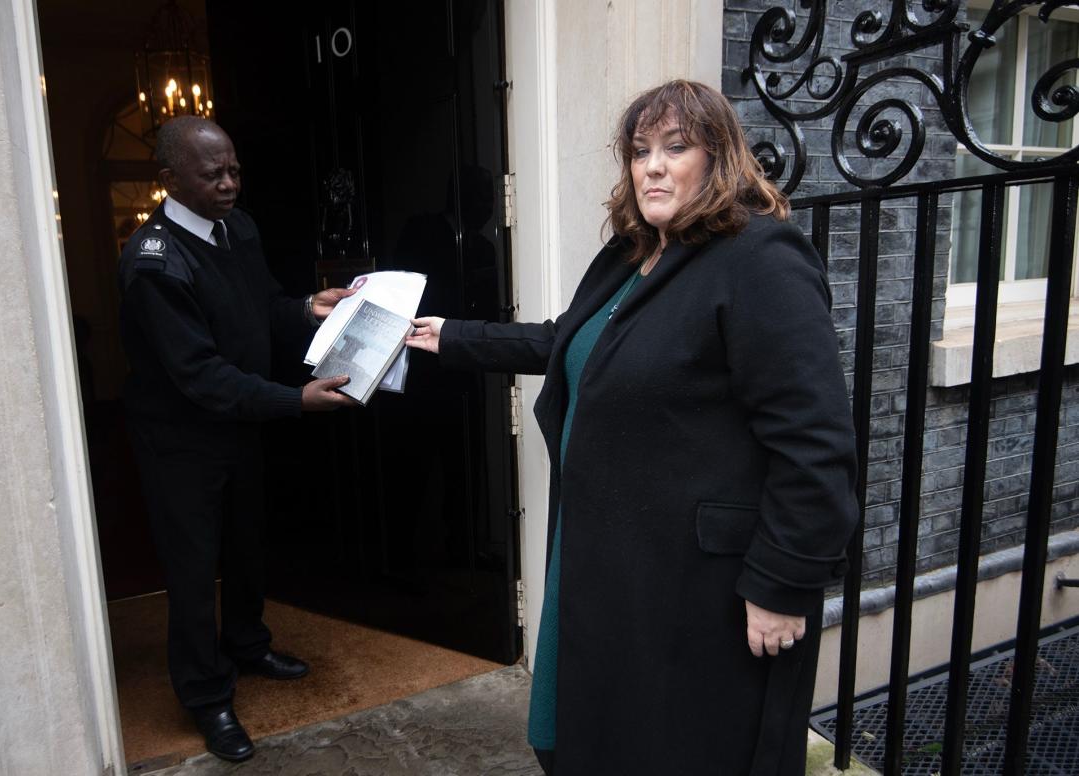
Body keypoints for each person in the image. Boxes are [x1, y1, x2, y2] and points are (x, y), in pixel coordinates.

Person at [406, 80, 859, 775]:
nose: (651, 165)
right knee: (597, 737)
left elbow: (816, 440)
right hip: (610, 563)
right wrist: (454, 336)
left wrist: (783, 582)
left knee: (680, 748)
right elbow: (569, 341)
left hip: (698, 589)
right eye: (639, 150)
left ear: (719, 158)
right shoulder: (630, 255)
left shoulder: (760, 259)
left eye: (675, 148)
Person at [118, 116, 356, 762]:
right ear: (169, 179)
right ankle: (206, 697)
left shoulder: (238, 228)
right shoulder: (153, 263)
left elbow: (262, 307)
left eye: (234, 169)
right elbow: (201, 376)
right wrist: (295, 401)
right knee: (195, 571)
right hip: (182, 442)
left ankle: (248, 646)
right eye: (213, 173)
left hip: (240, 426)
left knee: (248, 543)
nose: (230, 183)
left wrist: (307, 307)